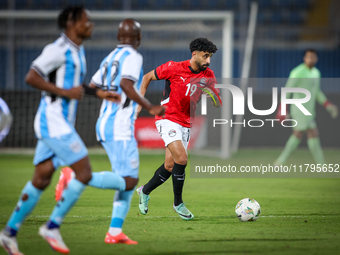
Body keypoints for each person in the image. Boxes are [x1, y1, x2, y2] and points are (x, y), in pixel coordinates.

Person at [0, 6, 121, 255]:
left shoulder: (78, 50)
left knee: (41, 178)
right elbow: (31, 76)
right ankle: (52, 227)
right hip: (52, 121)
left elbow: (75, 85)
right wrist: (64, 93)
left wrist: (98, 92)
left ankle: (8, 233)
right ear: (71, 22)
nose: (91, 24)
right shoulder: (58, 49)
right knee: (84, 171)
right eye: (86, 20)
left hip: (60, 122)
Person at [55, 19, 166, 244]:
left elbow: (92, 87)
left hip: (104, 122)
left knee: (122, 179)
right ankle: (75, 176)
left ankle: (115, 231)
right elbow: (126, 84)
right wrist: (149, 106)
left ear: (118, 37)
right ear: (139, 38)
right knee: (130, 180)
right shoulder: (133, 57)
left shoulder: (109, 58)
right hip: (119, 127)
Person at [136, 38, 220, 220]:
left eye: (210, 57)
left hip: (186, 122)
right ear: (194, 54)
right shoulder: (173, 67)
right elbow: (147, 77)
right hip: (167, 118)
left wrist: (211, 93)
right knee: (181, 158)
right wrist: (139, 104)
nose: (208, 61)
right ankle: (178, 203)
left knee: (170, 165)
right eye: (205, 56)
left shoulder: (208, 75)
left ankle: (145, 191)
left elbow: (217, 102)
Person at [274, 49, 338, 165]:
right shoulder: (297, 72)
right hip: (299, 109)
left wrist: (327, 104)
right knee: (311, 132)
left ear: (316, 59)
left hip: (309, 109)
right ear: (304, 58)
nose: (310, 59)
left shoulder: (316, 73)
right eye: (308, 56)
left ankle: (280, 161)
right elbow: (287, 90)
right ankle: (321, 164)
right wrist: (282, 109)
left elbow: (317, 92)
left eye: (313, 56)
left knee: (299, 134)